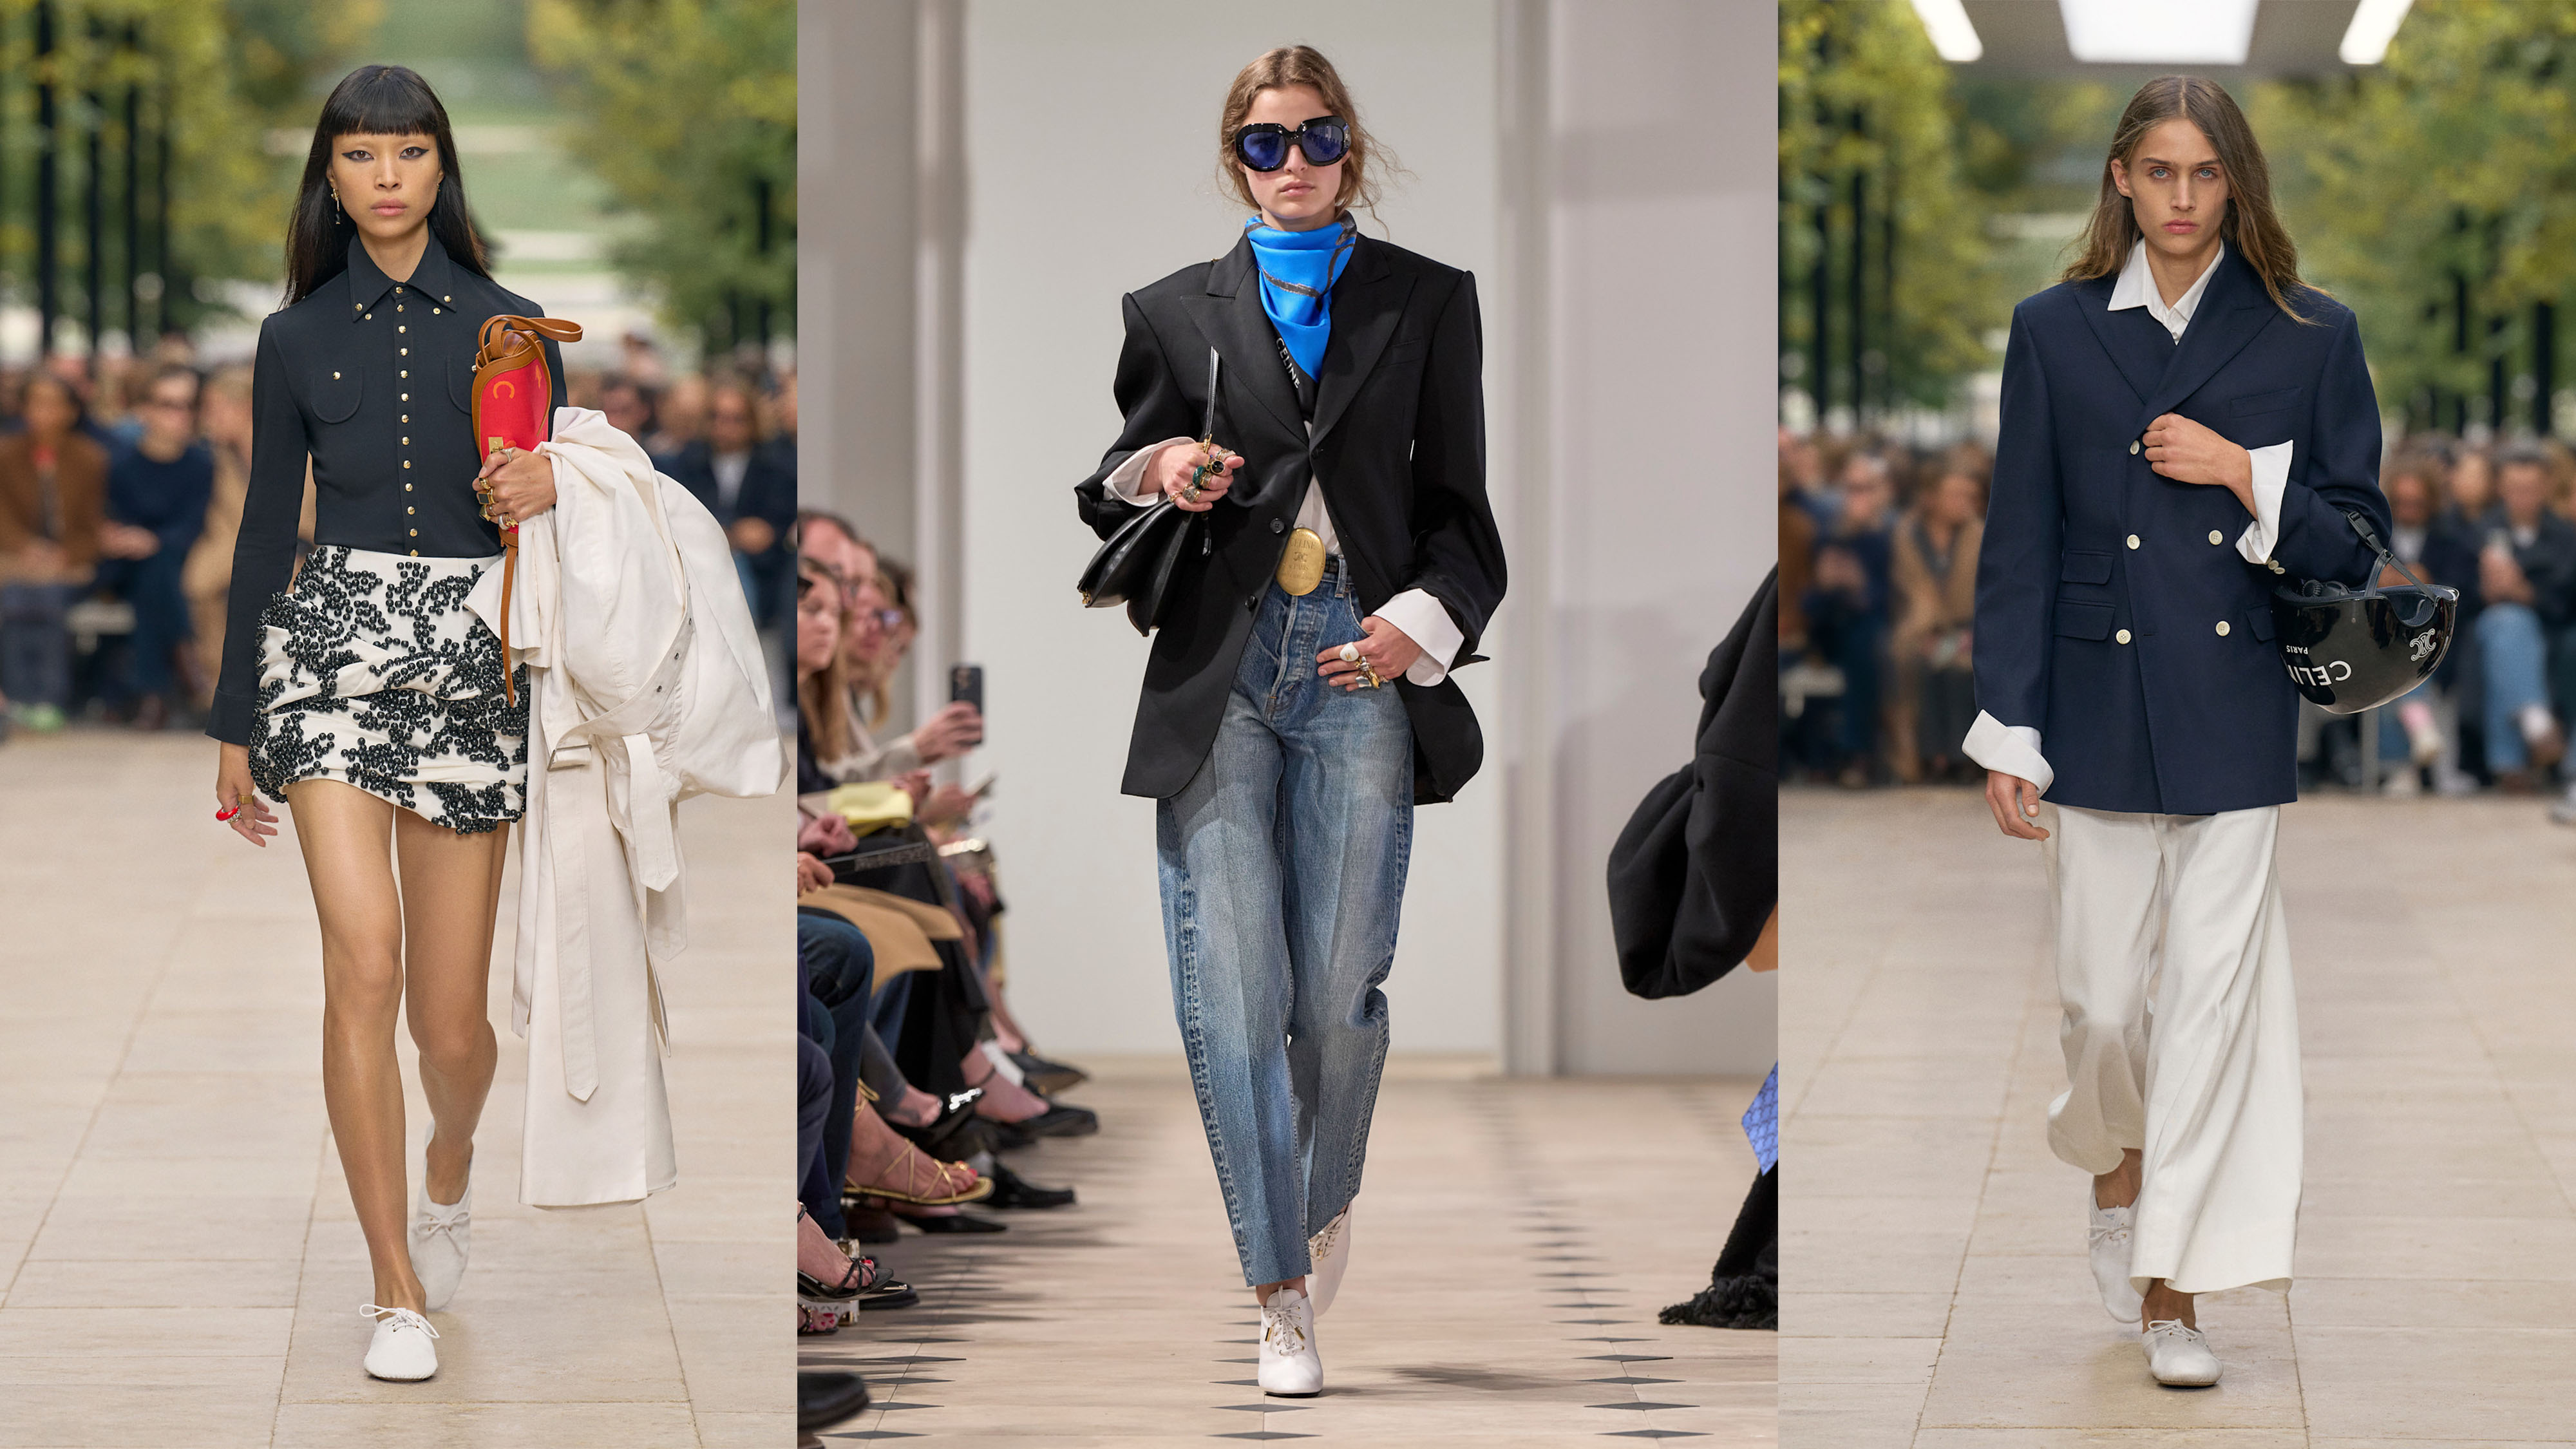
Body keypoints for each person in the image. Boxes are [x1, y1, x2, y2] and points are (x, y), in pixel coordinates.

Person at [1073, 45, 1505, 1398]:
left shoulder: (1428, 302)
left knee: (1334, 989)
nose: (1296, 162)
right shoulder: (1168, 309)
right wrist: (1161, 467)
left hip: (1359, 663)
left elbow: (1464, 522)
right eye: (1267, 143)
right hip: (1221, 666)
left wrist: (1418, 623)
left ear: (1351, 152)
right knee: (1235, 984)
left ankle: (1322, 1189)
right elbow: (1108, 481)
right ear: (1233, 158)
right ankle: (1276, 1289)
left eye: (1317, 138)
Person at [1965, 75, 2386, 1388]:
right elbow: (2017, 539)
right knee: (2097, 1011)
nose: (2183, 199)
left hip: (2232, 712)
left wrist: (2242, 471)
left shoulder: (2309, 335)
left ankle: (2171, 1288)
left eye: (2205, 175)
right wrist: (2006, 725)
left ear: (2234, 183)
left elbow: (2357, 540)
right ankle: (2113, 1166)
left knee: (2208, 1016)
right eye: (2158, 173)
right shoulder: (2050, 329)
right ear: (2119, 182)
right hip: (2089, 706)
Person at [207, 65, 571, 1384]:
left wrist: (554, 483)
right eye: (361, 156)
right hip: (329, 662)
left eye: (409, 152)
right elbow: (262, 528)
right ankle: (393, 1285)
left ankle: (450, 1163)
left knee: (452, 1028)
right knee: (361, 965)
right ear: (332, 176)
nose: (386, 177)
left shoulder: (519, 329)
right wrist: (239, 718)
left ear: (440, 168)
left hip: (472, 663)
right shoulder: (293, 338)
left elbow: (567, 516)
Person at [99, 365, 216, 728]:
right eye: (168, 404)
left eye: (187, 405)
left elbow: (194, 525)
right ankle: (187, 665)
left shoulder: (202, 464)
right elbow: (104, 518)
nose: (180, 415)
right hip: (123, 567)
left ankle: (153, 694)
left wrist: (154, 541)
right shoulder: (120, 464)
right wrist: (122, 537)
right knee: (154, 570)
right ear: (145, 409)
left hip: (175, 563)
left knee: (157, 570)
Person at [0, 372, 108, 732]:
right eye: (34, 403)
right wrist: (26, 548)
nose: (42, 413)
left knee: (47, 599)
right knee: (14, 599)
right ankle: (18, 699)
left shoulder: (90, 459)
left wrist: (65, 555)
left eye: (52, 404)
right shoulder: (7, 454)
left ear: (70, 411)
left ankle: (49, 698)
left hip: (70, 564)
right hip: (17, 563)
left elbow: (95, 527)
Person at [2469, 444, 2576, 792]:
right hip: (2487, 629)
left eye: (2530, 488)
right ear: (2500, 487)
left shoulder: (2565, 536)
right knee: (2506, 625)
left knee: (2511, 629)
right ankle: (2536, 725)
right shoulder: (2478, 532)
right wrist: (2486, 590)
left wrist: (2524, 592)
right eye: (2515, 488)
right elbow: (2455, 592)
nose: (2522, 497)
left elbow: (2567, 601)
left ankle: (2510, 761)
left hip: (2551, 632)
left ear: (2546, 487)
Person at [1889, 467, 1984, 782]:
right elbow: (1900, 592)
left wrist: (1965, 633)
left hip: (1971, 631)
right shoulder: (1907, 537)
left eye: (1969, 495)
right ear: (1931, 498)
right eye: (1955, 495)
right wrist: (1924, 630)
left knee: (1959, 670)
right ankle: (1928, 757)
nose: (1964, 502)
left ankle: (1961, 757)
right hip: (1917, 630)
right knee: (1920, 667)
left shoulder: (1979, 535)